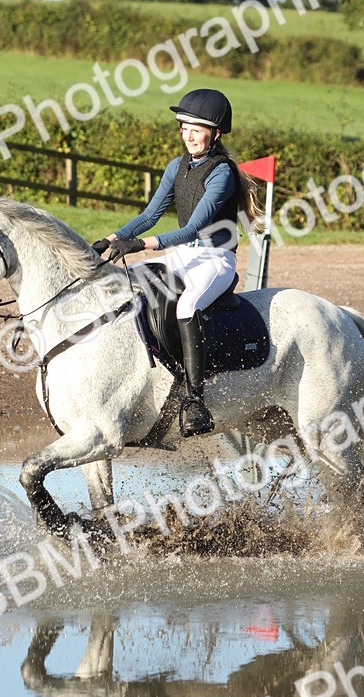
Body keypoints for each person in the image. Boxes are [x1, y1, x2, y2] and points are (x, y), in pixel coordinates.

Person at [93, 88, 259, 438]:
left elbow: (193, 229)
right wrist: (108, 240)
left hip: (216, 258)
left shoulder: (222, 173)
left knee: (187, 306)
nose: (189, 136)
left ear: (215, 134)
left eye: (197, 130)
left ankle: (195, 400)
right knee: (128, 285)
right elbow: (150, 215)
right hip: (183, 256)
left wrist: (140, 245)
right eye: (184, 128)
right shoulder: (176, 166)